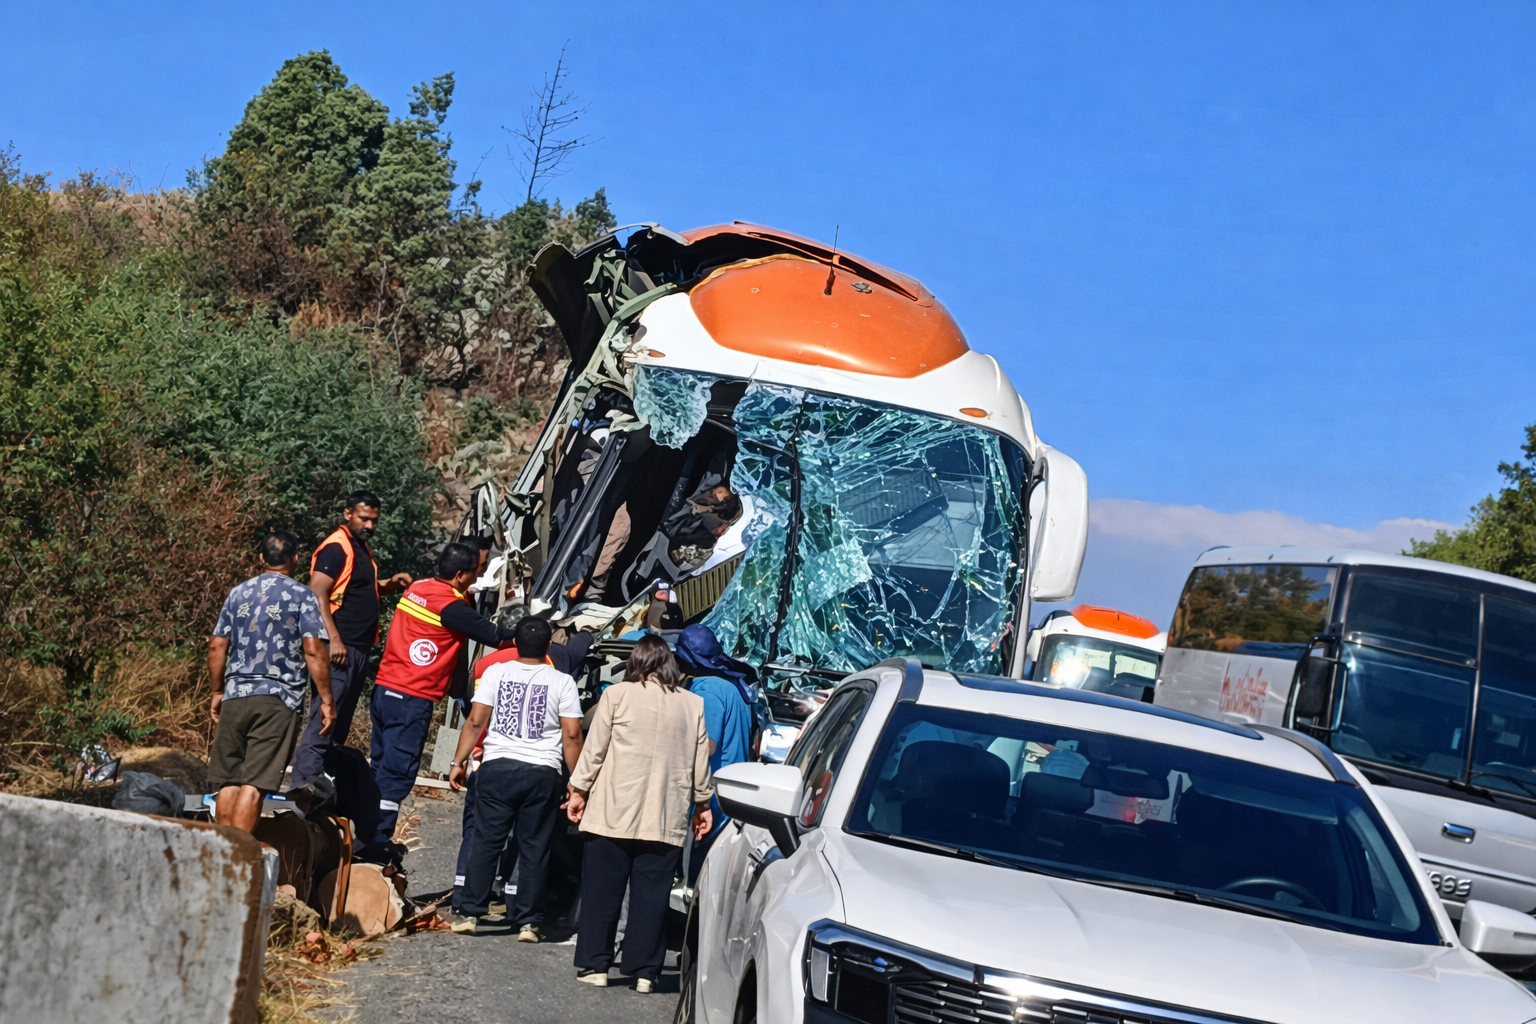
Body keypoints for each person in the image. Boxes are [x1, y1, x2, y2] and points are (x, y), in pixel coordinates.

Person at [566, 635, 713, 992]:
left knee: (602, 891)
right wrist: (703, 804)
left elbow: (595, 750)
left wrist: (578, 790)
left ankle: (596, 965)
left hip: (613, 810)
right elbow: (700, 763)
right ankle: (646, 971)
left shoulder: (616, 695)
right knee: (652, 896)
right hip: (665, 815)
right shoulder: (693, 705)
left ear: (636, 662)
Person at [361, 542, 511, 863]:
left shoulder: (419, 587)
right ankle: (376, 843)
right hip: (412, 699)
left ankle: (364, 835)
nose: (478, 576)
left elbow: (454, 624)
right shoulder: (451, 605)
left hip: (385, 690)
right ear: (459, 575)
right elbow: (496, 636)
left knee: (380, 767)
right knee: (397, 774)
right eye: (476, 572)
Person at [445, 617, 585, 940]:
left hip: (497, 768)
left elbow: (475, 722)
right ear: (549, 646)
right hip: (542, 771)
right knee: (535, 846)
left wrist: (458, 761)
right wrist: (577, 780)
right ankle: (528, 922)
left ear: (514, 644)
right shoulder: (562, 682)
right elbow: (572, 734)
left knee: (486, 840)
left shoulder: (495, 672)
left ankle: (469, 913)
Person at [207, 531, 333, 834]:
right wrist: (327, 700)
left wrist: (217, 691)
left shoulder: (238, 593)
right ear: (295, 559)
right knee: (255, 784)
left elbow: (216, 646)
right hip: (278, 699)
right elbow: (314, 650)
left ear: (261, 558)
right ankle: (239, 860)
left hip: (236, 695)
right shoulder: (302, 596)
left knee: (228, 781)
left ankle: (221, 853)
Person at [290, 491, 412, 790]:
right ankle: (301, 791)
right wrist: (334, 639)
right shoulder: (337, 548)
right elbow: (316, 591)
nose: (369, 525)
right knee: (324, 721)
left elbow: (357, 590)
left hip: (357, 649)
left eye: (374, 520)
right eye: (364, 518)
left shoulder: (360, 549)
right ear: (347, 514)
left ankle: (324, 789)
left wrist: (389, 585)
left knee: (338, 725)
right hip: (339, 650)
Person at [673, 624, 754, 882]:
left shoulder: (707, 690)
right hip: (732, 794)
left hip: (711, 799)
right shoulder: (732, 687)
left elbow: (706, 745)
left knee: (697, 877)